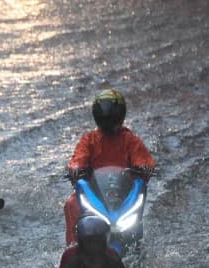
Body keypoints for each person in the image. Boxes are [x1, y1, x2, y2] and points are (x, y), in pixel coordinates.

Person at [63, 89, 156, 244]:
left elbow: (143, 159)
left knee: (137, 205)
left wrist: (145, 167)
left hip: (123, 193)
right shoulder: (90, 139)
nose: (108, 121)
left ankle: (135, 244)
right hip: (95, 193)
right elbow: (78, 158)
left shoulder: (130, 140)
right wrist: (75, 168)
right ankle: (72, 249)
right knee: (71, 204)